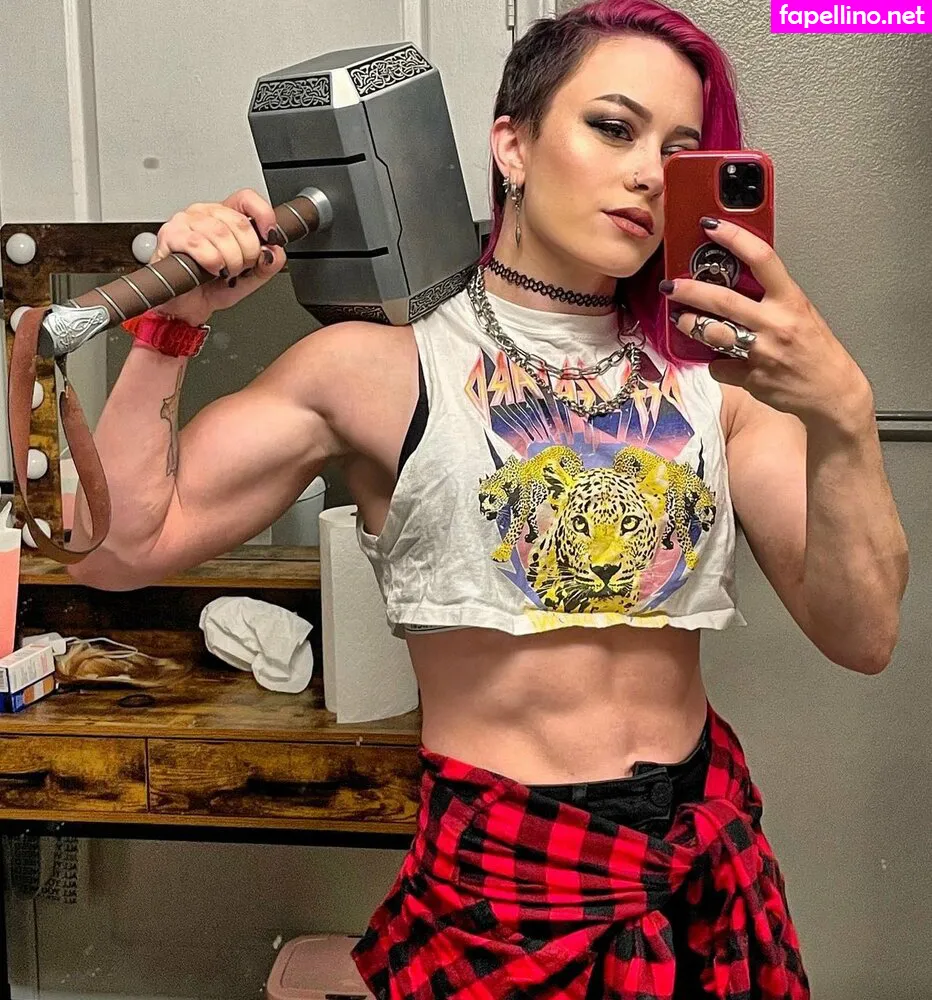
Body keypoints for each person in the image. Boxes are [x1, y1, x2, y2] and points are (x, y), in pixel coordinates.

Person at [68, 1, 908, 996]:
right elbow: (114, 551)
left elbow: (862, 635)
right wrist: (168, 328)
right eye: (613, 127)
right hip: (507, 873)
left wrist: (844, 409)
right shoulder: (378, 369)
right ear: (512, 145)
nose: (648, 172)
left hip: (703, 854)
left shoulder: (714, 383)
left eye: (679, 153)